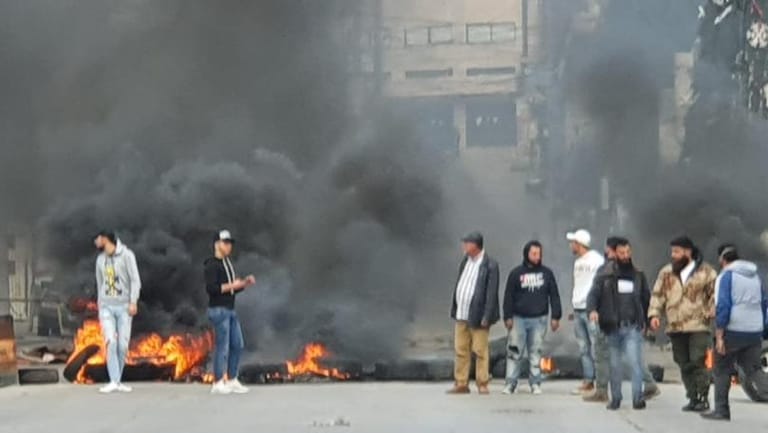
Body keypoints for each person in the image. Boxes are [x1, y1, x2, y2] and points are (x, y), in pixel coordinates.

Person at [584, 237, 660, 403]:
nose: (625, 256)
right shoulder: (605, 273)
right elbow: (594, 294)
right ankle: (642, 386)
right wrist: (592, 310)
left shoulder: (636, 274)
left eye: (627, 252)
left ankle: (605, 391)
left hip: (628, 324)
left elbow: (645, 299)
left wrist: (649, 319)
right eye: (621, 252)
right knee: (618, 359)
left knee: (621, 357)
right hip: (609, 323)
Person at [649, 236, 717, 412]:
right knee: (683, 362)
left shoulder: (706, 272)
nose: (673, 255)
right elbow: (658, 295)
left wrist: (712, 310)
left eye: (677, 251)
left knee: (698, 360)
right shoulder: (666, 272)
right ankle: (692, 397)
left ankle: (702, 397)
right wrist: (654, 315)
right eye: (672, 251)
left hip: (699, 325)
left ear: (688, 252)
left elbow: (715, 294)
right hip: (676, 326)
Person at [701, 245, 767, 421]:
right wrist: (761, 328)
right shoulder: (755, 277)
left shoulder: (726, 276)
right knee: (754, 369)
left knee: (721, 369)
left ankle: (721, 411)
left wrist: (719, 335)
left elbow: (723, 306)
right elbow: (763, 303)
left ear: (723, 260)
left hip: (733, 330)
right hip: (754, 330)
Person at [502, 241, 562, 395]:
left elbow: (554, 295)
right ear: (526, 254)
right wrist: (507, 316)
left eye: (539, 254)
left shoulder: (547, 273)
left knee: (536, 352)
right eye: (534, 254)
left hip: (539, 319)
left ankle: (535, 383)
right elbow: (508, 296)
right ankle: (510, 384)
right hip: (518, 319)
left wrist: (556, 316)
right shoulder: (516, 274)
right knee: (514, 352)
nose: (537, 257)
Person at [448, 231, 500, 395]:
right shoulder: (465, 261)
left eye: (467, 243)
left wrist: (487, 316)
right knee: (460, 349)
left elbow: (491, 293)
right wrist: (455, 308)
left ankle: (482, 383)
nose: (463, 246)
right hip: (461, 314)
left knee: (480, 350)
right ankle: (461, 383)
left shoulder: (490, 265)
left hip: (478, 316)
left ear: (476, 246)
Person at [205, 229, 256, 395]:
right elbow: (212, 289)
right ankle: (218, 382)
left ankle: (232, 379)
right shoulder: (211, 265)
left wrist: (244, 283)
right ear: (216, 245)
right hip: (218, 310)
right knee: (223, 347)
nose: (228, 246)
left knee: (237, 345)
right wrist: (234, 285)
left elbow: (231, 289)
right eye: (225, 243)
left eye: (230, 243)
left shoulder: (227, 263)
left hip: (230, 310)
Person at [94, 230, 141, 394]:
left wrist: (133, 301)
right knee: (111, 341)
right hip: (106, 307)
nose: (96, 242)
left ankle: (117, 380)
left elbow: (135, 280)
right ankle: (114, 381)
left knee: (122, 345)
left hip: (124, 307)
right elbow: (99, 283)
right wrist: (100, 304)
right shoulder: (100, 260)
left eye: (99, 239)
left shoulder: (127, 256)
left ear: (106, 240)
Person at [567, 229, 604, 395]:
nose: (571, 245)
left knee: (597, 347)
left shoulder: (597, 260)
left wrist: (597, 307)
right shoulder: (577, 263)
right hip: (578, 309)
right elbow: (578, 285)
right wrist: (573, 306)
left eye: (573, 242)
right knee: (583, 348)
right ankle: (588, 381)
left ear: (579, 244)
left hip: (591, 310)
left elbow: (601, 285)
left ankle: (602, 381)